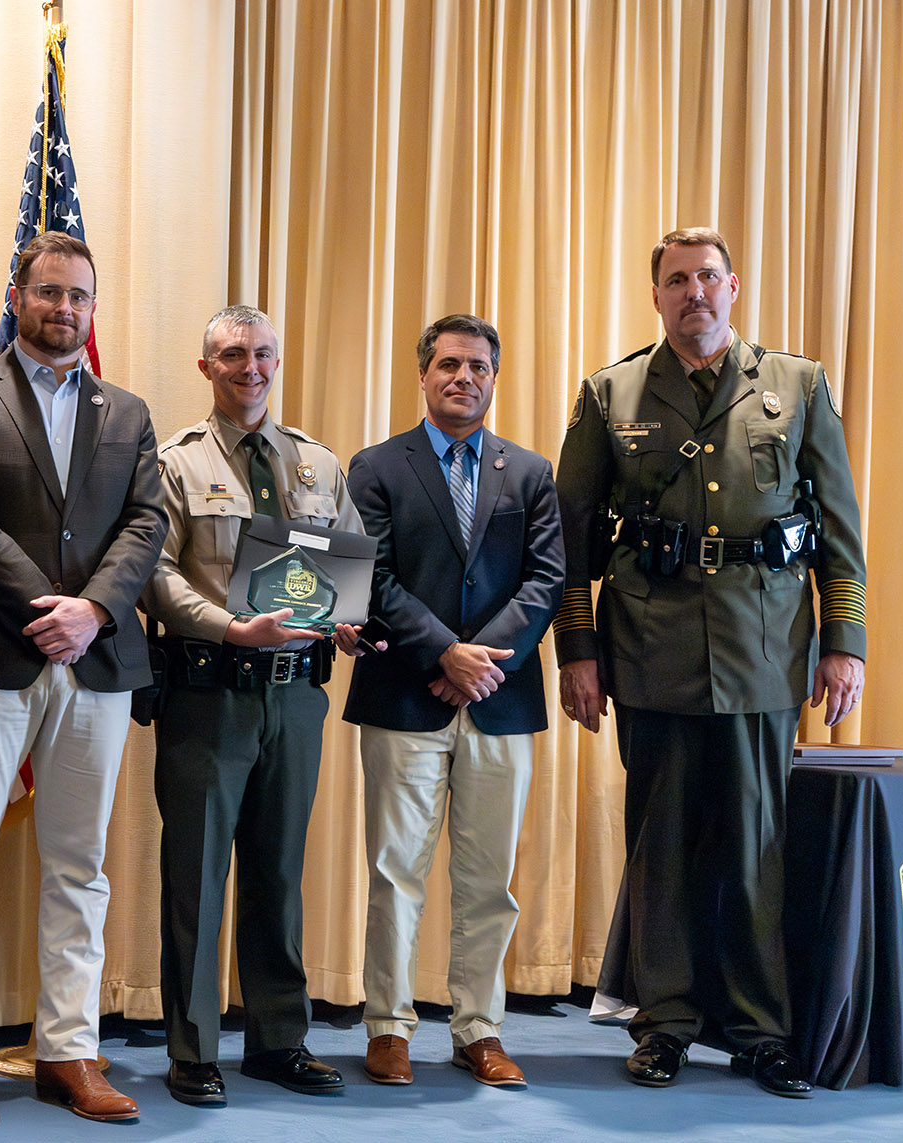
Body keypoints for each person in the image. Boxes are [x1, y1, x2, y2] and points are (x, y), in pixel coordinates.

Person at [554, 227, 867, 1097]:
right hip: (648, 649)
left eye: (708, 278)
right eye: (677, 280)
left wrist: (845, 640)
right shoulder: (612, 391)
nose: (694, 292)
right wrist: (578, 652)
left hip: (765, 648)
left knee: (755, 842)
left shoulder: (797, 384)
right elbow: (571, 539)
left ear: (735, 288)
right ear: (656, 295)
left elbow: (839, 526)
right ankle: (665, 1022)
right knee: (661, 846)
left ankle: (762, 1027)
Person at [0, 232, 166, 1128]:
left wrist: (93, 613)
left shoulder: (129, 411)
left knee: (80, 865)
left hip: (97, 663)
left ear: (94, 309)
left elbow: (147, 524)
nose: (65, 308)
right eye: (49, 291)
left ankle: (69, 1048)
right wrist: (49, 607)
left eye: (80, 296)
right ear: (17, 293)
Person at [336, 314, 565, 1089]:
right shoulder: (373, 467)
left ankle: (479, 1028)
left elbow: (546, 581)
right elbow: (370, 576)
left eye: (477, 366)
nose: (463, 376)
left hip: (500, 700)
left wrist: (479, 664)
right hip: (404, 694)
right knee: (395, 870)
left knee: (488, 878)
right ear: (423, 374)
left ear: (495, 377)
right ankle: (390, 1025)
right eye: (448, 365)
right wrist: (443, 653)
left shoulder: (529, 474)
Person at [141, 304, 362, 1107]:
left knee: (279, 872)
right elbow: (154, 573)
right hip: (209, 693)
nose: (251, 367)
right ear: (206, 367)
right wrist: (232, 625)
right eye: (233, 354)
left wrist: (346, 617)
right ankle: (193, 1046)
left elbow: (347, 558)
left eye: (263, 352)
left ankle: (278, 1038)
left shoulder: (315, 463)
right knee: (196, 873)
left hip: (297, 698)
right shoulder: (174, 462)